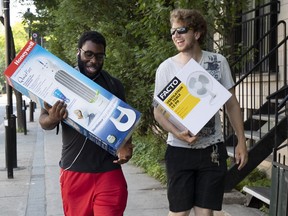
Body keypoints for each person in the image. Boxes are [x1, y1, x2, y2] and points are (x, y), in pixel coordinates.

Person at [153, 9, 248, 216]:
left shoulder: (217, 62)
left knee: (205, 214)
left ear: (196, 33)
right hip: (179, 150)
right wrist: (177, 133)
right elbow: (158, 113)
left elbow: (231, 104)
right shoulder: (166, 68)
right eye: (173, 32)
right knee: (179, 213)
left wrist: (241, 140)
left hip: (212, 151)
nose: (175, 36)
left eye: (181, 30)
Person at [39, 31, 133, 216]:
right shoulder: (59, 81)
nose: (93, 61)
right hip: (74, 171)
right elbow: (44, 122)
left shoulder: (114, 85)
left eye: (99, 56)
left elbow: (126, 124)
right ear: (79, 52)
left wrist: (126, 145)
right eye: (88, 54)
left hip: (109, 172)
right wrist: (52, 118)